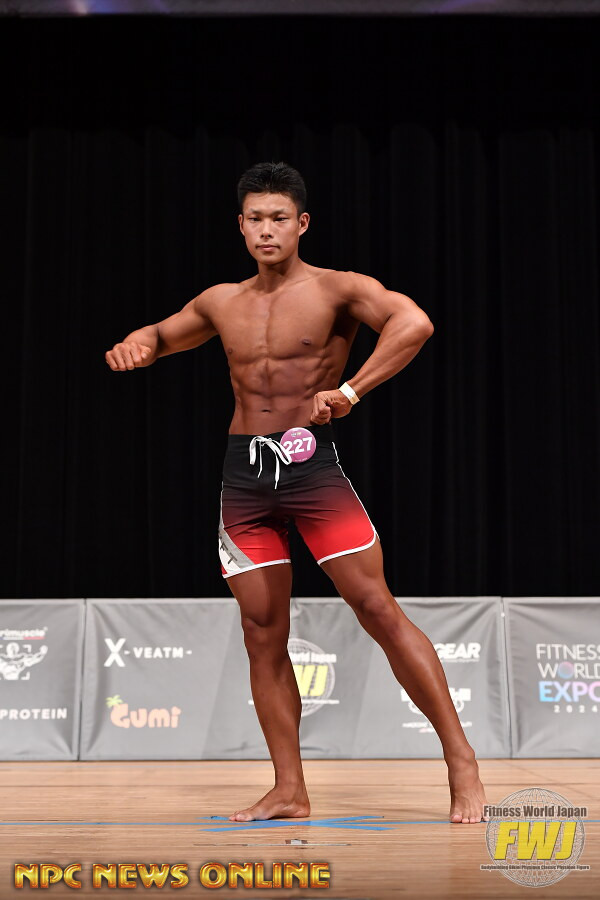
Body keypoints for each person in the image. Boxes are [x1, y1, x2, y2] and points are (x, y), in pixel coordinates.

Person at [105, 161, 487, 825]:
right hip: (244, 478)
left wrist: (350, 391)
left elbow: (414, 323)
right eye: (255, 218)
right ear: (240, 225)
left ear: (302, 223)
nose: (266, 230)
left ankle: (461, 762)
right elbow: (163, 336)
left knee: (376, 606)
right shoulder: (221, 301)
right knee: (261, 631)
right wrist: (140, 341)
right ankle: (289, 789)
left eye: (279, 218)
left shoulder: (337, 289)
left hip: (312, 472)